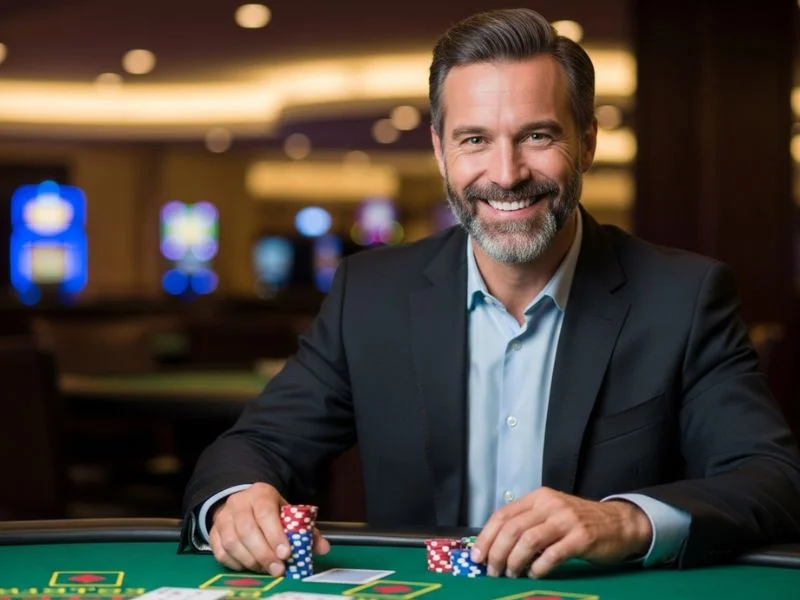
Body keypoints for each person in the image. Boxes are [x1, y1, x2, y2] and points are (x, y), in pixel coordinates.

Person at [180, 7, 800, 579]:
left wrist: (626, 519)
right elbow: (252, 448)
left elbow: (773, 479)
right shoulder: (370, 294)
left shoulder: (682, 296)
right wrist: (238, 501)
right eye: (475, 139)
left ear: (586, 141)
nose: (505, 175)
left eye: (537, 136)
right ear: (441, 152)